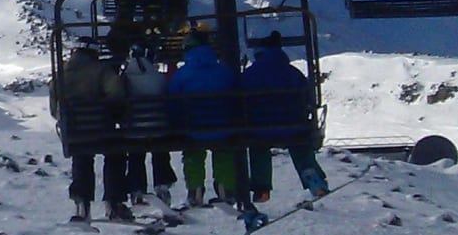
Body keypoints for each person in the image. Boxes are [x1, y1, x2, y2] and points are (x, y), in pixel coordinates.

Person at [50, 42, 134, 222]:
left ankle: (82, 203)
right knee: (116, 154)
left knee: (82, 157)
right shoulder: (102, 71)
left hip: (76, 133)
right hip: (103, 130)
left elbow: (54, 108)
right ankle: (114, 203)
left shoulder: (61, 75)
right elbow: (117, 94)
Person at [242, 31, 330, 200]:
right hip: (294, 125)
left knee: (259, 149)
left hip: (261, 128)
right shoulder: (293, 73)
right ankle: (314, 179)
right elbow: (308, 98)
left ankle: (261, 189)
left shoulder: (250, 74)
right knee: (300, 147)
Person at [166, 27, 237, 206]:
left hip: (193, 128)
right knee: (223, 151)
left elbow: (173, 103)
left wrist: (176, 125)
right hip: (223, 127)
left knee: (193, 153)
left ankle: (195, 189)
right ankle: (225, 187)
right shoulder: (224, 71)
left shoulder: (182, 74)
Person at [122, 43, 178, 206]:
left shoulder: (125, 78)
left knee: (135, 155)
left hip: (134, 130)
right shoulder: (159, 78)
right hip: (158, 127)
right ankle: (162, 185)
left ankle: (136, 189)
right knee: (160, 151)